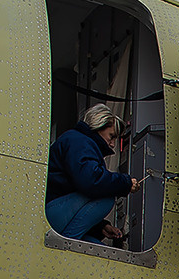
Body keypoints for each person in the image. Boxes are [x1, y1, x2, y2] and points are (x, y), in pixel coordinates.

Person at [47, 103, 140, 243]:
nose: (113, 144)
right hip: (51, 212)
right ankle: (65, 243)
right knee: (106, 197)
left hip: (56, 210)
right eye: (111, 136)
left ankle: (68, 241)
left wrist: (101, 227)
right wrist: (125, 183)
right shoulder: (79, 142)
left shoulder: (78, 141)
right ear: (98, 126)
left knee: (96, 245)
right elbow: (91, 181)